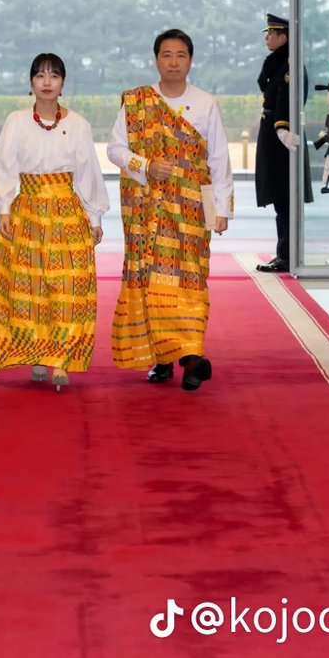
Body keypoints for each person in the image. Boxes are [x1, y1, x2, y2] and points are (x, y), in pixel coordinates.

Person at [108, 29, 234, 391]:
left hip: (190, 211)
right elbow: (115, 149)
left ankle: (192, 354)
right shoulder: (136, 102)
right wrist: (145, 165)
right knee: (152, 279)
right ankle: (163, 359)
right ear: (156, 60)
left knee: (189, 280)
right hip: (146, 211)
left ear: (190, 61)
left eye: (181, 55)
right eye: (166, 55)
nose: (174, 62)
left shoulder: (206, 103)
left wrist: (220, 209)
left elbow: (219, 159)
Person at [0, 54, 109, 390]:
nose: (47, 82)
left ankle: (62, 358)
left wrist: (94, 216)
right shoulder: (17, 121)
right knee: (32, 289)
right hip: (28, 213)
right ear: (31, 83)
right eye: (40, 75)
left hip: (68, 212)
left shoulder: (78, 124)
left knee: (67, 288)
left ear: (63, 83)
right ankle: (38, 355)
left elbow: (88, 172)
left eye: (53, 76)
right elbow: (3, 167)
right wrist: (4, 210)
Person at [254, 12, 308, 273]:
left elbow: (288, 99)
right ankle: (284, 252)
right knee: (279, 199)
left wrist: (282, 127)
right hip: (274, 136)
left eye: (271, 33)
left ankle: (287, 254)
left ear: (283, 37)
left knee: (285, 199)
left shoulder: (289, 66)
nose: (267, 38)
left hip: (282, 140)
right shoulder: (278, 64)